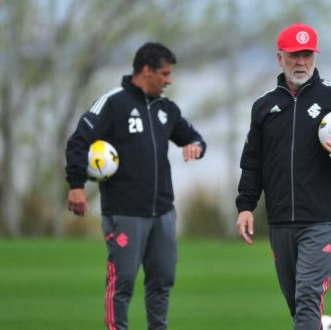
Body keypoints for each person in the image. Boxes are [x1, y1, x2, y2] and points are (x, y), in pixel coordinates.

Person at [235, 23, 331, 330]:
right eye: (294, 55)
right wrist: (245, 206)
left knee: (308, 302)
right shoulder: (264, 107)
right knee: (298, 307)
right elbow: (252, 162)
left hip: (322, 219)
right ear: (279, 58)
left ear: (315, 56)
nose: (301, 62)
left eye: (307, 54)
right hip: (281, 220)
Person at [65, 42, 206, 330]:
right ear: (146, 70)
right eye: (165, 74)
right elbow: (78, 141)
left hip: (164, 212)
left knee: (162, 280)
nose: (169, 80)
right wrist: (76, 185)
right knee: (123, 282)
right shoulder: (113, 103)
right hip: (125, 212)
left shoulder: (167, 109)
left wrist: (195, 146)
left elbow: (194, 137)